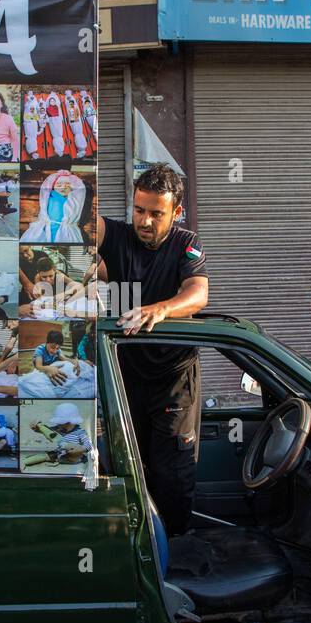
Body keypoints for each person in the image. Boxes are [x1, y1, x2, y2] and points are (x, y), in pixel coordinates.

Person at [95, 163, 208, 535]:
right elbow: (77, 218)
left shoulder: (186, 243)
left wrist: (161, 308)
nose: (144, 221)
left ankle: (177, 553)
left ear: (176, 213)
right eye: (139, 209)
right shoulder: (116, 236)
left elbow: (198, 294)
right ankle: (141, 551)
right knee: (129, 467)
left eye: (156, 213)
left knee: (171, 474)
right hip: (126, 381)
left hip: (173, 382)